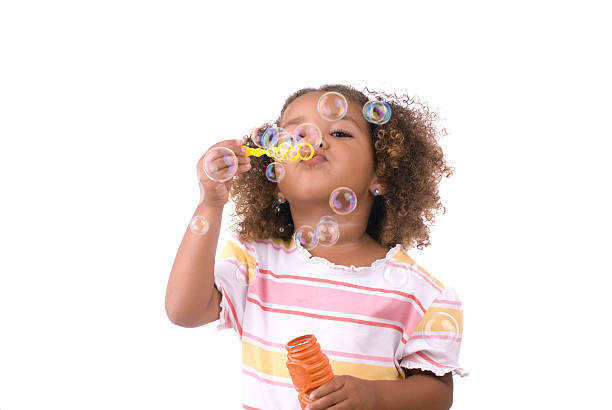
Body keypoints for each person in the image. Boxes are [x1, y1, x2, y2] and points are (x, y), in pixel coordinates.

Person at [165, 84, 468, 410]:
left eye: (340, 132)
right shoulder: (256, 261)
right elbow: (184, 311)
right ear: (277, 180)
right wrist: (211, 203)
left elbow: (438, 394)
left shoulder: (420, 292)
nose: (314, 141)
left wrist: (374, 396)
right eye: (294, 136)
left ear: (381, 174)